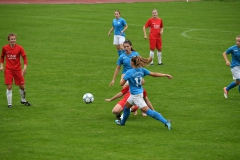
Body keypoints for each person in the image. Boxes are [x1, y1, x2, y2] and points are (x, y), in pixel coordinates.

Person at [115, 56, 173, 130]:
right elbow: (154, 74)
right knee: (126, 108)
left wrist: (124, 77)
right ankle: (122, 123)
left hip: (136, 96)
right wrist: (165, 75)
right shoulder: (141, 70)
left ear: (132, 63)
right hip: (135, 94)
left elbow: (121, 84)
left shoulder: (129, 72)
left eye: (130, 61)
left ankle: (166, 122)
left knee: (148, 111)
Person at [0, 33, 31, 108]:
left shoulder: (20, 48)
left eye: (14, 39)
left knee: (22, 87)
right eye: (11, 39)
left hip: (17, 69)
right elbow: (2, 57)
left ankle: (23, 100)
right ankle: (9, 104)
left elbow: (25, 58)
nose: (13, 40)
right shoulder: (5, 48)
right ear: (9, 40)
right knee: (9, 87)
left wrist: (25, 68)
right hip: (8, 69)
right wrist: (1, 66)